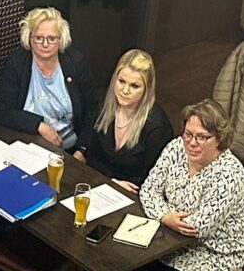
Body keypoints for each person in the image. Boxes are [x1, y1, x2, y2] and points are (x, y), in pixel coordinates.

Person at [137, 100, 244, 271]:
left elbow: (197, 227)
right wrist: (166, 217)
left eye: (201, 137)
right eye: (188, 134)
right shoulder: (175, 147)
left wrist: (165, 213)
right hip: (170, 235)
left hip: (214, 250)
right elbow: (148, 189)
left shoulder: (230, 174)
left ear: (219, 138)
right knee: (135, 262)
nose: (192, 142)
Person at [0, 6, 96, 151]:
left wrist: (82, 150)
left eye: (52, 39)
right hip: (27, 146)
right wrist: (39, 125)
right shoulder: (17, 63)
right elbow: (3, 111)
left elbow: (92, 111)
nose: (45, 44)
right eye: (39, 38)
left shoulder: (76, 62)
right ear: (29, 38)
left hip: (69, 150)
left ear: (61, 39)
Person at [72, 48, 174, 192]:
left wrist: (117, 185)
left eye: (134, 86)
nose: (125, 90)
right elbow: (91, 156)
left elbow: (155, 178)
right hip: (101, 184)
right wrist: (111, 181)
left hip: (135, 193)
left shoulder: (157, 126)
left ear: (147, 89)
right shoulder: (104, 108)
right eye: (121, 81)